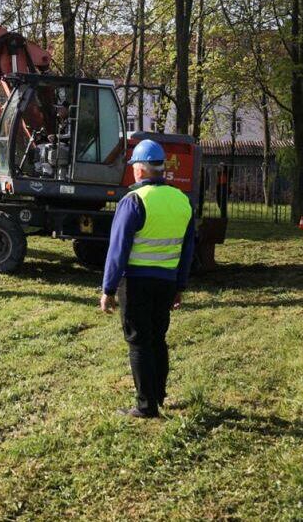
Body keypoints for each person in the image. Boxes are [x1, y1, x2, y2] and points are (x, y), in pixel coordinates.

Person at [99, 139, 195, 419]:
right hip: (166, 283)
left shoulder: (134, 201)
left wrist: (108, 289)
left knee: (139, 342)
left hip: (137, 283)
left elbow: (118, 250)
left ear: (139, 170)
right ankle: (159, 395)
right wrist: (180, 286)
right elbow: (187, 250)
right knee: (157, 339)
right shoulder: (182, 200)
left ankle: (145, 406)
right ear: (162, 169)